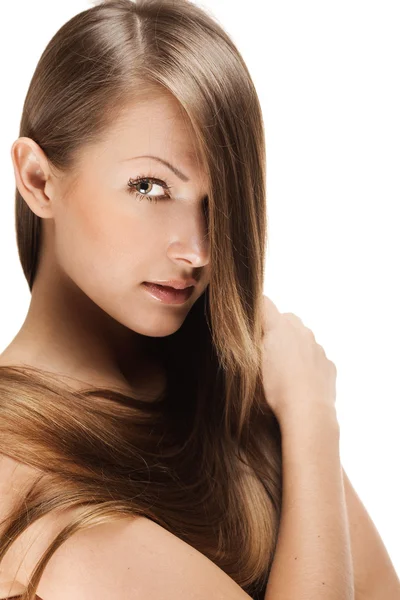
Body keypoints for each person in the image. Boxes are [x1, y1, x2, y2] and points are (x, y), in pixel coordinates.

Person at [0, 1, 377, 599]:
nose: (199, 249)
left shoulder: (231, 390)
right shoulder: (18, 465)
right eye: (150, 187)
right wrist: (311, 418)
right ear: (38, 180)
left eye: (216, 198)